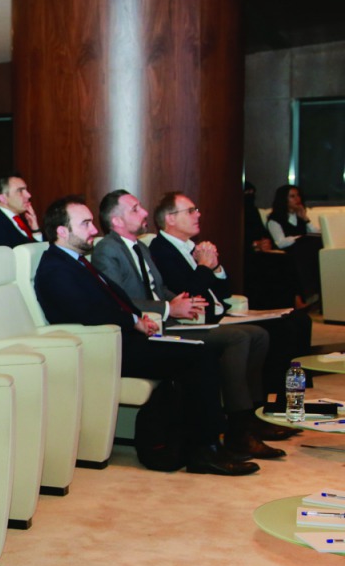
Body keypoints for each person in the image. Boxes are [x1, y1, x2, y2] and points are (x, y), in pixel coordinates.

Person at [33, 195, 256, 476]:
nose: (94, 229)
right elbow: (87, 312)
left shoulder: (76, 262)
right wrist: (133, 320)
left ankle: (204, 443)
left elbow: (116, 299)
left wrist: (138, 318)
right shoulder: (55, 268)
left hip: (121, 340)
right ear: (62, 231)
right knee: (199, 356)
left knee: (200, 351)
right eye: (86, 224)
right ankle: (205, 449)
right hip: (103, 348)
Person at [91, 190, 283, 459]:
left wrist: (179, 301)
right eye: (135, 209)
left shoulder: (140, 247)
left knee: (258, 335)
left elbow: (160, 289)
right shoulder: (107, 249)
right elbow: (118, 299)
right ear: (117, 221)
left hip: (169, 321)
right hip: (151, 329)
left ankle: (250, 418)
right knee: (238, 338)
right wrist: (170, 308)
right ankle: (237, 430)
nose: (145, 212)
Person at [151, 191, 311, 422]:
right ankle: (248, 415)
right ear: (171, 218)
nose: (198, 215)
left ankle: (272, 406)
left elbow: (225, 293)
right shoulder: (160, 250)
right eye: (191, 211)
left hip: (222, 313)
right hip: (197, 321)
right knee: (268, 333)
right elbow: (188, 292)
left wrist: (215, 267)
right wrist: (204, 266)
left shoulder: (193, 247)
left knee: (297, 320)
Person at [267, 184, 321, 305]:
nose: (297, 199)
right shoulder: (274, 219)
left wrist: (305, 218)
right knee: (298, 258)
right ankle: (302, 297)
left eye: (298, 196)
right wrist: (299, 238)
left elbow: (316, 233)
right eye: (292, 196)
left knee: (316, 247)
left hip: (303, 251)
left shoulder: (299, 216)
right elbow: (280, 242)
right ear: (284, 199)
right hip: (286, 252)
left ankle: (315, 294)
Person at [0, 174, 42, 248]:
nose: (28, 195)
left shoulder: (25, 221)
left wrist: (36, 230)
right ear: (3, 198)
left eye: (26, 190)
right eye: (20, 191)